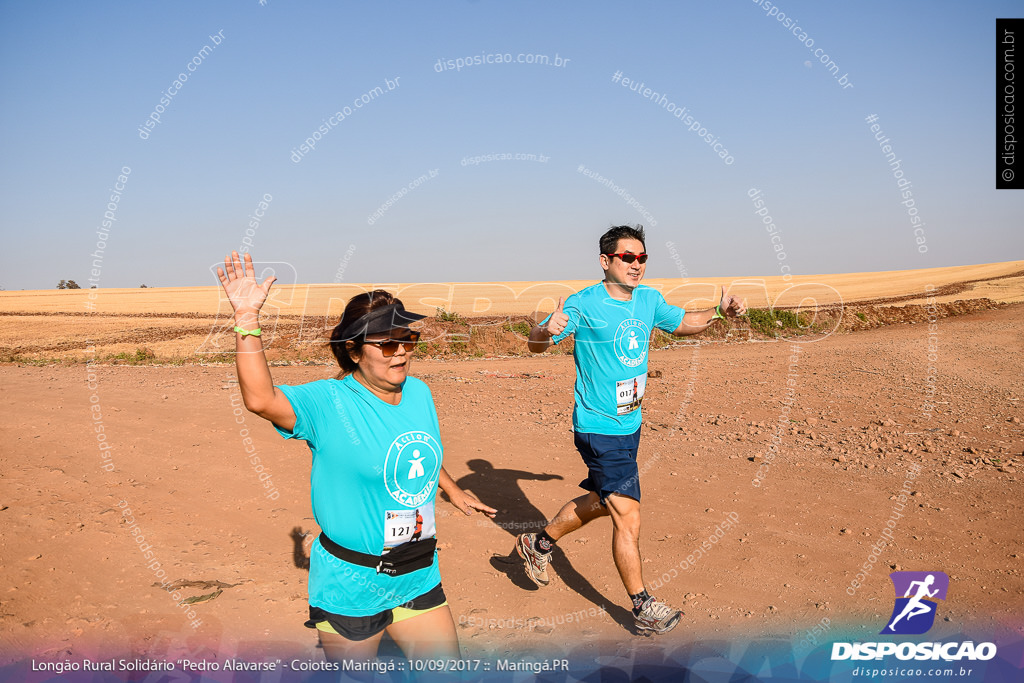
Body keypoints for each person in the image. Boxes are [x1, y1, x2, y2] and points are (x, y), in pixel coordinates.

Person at [217, 251, 495, 661]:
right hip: (352, 581)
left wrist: (450, 487)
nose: (399, 352)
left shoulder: (419, 392)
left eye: (407, 339)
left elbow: (414, 450)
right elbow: (260, 399)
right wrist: (246, 320)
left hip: (417, 573)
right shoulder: (328, 403)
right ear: (353, 351)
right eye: (385, 343)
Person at [515, 225, 746, 634]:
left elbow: (682, 323)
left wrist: (717, 312)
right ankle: (642, 605)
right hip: (596, 425)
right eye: (627, 257)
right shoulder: (582, 304)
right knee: (628, 513)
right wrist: (541, 330)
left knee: (604, 502)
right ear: (606, 261)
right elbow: (537, 345)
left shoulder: (650, 300)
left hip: (630, 423)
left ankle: (538, 544)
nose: (636, 264)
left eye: (641, 258)